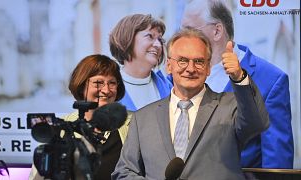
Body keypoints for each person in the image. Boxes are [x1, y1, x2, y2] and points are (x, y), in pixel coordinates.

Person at [112, 28, 269, 179]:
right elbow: (125, 171)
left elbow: (257, 123)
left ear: (208, 68)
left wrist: (239, 77)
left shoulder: (231, 106)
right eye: (182, 61)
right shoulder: (142, 118)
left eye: (199, 61)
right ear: (168, 66)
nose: (191, 68)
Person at [181, 0, 293, 168]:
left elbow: (277, 165)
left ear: (217, 31)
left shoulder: (270, 81)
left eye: (190, 31)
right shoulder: (176, 76)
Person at [29, 54, 130, 180]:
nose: (106, 90)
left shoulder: (135, 122)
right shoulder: (63, 126)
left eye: (112, 83)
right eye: (98, 83)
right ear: (82, 86)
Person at [109, 14, 172, 111]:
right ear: (127, 39)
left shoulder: (170, 89)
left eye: (160, 39)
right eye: (150, 36)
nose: (158, 45)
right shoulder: (106, 91)